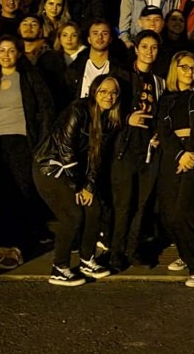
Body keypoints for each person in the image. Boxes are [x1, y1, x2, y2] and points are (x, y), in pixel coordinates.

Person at [0, 36, 55, 269]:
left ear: (19, 53)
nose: (6, 55)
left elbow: (46, 109)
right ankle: (0, 245)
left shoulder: (29, 76)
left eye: (11, 50)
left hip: (24, 143)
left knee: (22, 194)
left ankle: (18, 247)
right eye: (2, 50)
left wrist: (41, 143)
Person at [33, 75, 122, 286]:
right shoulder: (78, 110)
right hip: (51, 167)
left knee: (94, 209)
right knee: (72, 215)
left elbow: (96, 158)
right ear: (94, 92)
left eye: (113, 92)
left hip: (76, 172)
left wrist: (89, 186)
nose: (108, 96)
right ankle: (59, 268)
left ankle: (87, 259)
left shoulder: (109, 119)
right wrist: (78, 187)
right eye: (103, 91)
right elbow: (66, 150)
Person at [154, 52, 194, 288]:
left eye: (193, 68)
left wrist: (190, 152)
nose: (190, 72)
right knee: (169, 215)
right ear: (175, 69)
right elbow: (163, 130)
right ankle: (186, 252)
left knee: (184, 214)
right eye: (184, 67)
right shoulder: (166, 99)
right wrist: (179, 154)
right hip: (173, 157)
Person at [108, 30, 166, 271]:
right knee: (124, 204)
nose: (149, 52)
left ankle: (132, 250)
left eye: (154, 47)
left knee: (142, 204)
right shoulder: (120, 76)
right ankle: (115, 253)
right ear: (136, 49)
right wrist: (126, 119)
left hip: (148, 147)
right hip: (124, 146)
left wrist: (158, 133)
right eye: (144, 46)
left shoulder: (158, 81)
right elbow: (105, 107)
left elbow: (160, 113)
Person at [65, 20, 130, 101]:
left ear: (110, 39)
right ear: (89, 39)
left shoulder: (120, 70)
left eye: (105, 33)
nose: (100, 37)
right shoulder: (75, 68)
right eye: (95, 33)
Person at [37, 22, 86, 112]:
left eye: (74, 35)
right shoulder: (50, 58)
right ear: (59, 38)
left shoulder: (87, 57)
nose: (69, 39)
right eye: (65, 35)